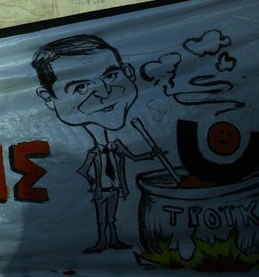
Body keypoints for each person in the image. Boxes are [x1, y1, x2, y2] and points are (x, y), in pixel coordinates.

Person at [30, 34, 161, 253]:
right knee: (102, 217)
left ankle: (114, 239)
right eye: (81, 87)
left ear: (128, 74)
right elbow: (83, 170)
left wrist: (150, 154)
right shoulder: (91, 151)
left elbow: (132, 158)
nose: (104, 92)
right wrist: (95, 184)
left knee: (113, 215)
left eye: (111, 76)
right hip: (104, 189)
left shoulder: (116, 145)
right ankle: (102, 240)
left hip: (115, 188)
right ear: (48, 98)